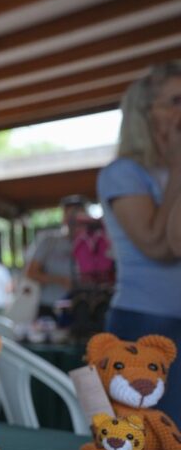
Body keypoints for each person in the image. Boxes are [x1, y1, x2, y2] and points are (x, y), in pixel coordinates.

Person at [97, 61, 181, 423]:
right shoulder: (123, 173)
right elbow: (157, 246)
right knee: (149, 441)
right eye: (175, 100)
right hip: (146, 324)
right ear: (145, 115)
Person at [24, 195, 88, 318]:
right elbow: (31, 272)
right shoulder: (49, 240)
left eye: (78, 213)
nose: (74, 219)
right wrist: (61, 280)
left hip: (83, 306)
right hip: (51, 306)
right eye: (69, 214)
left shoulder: (93, 241)